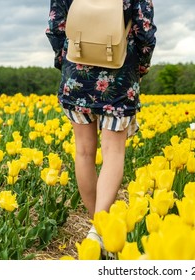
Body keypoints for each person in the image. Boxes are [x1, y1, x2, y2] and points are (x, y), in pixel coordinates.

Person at [45, 0, 157, 246]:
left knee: (84, 151)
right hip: (119, 75)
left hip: (76, 74)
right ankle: (98, 230)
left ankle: (95, 227)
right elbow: (145, 31)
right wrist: (141, 67)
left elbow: (55, 27)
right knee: (113, 152)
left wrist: (66, 63)